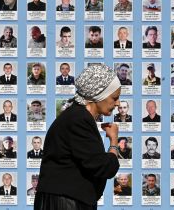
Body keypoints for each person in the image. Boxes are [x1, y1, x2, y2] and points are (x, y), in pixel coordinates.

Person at [34, 64, 121, 210]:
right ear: (98, 94)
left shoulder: (76, 116)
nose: (118, 103)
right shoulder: (79, 119)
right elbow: (104, 167)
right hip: (66, 203)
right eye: (114, 97)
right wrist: (113, 141)